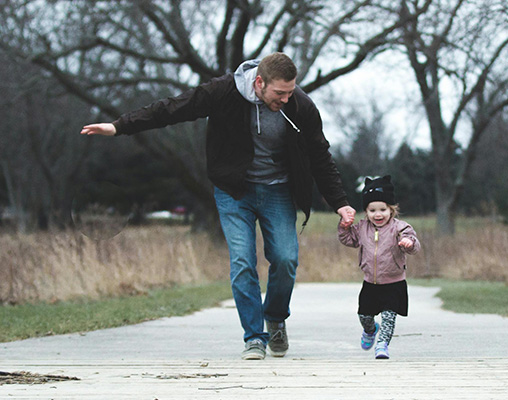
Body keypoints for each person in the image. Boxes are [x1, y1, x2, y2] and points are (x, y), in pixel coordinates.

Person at [80, 52, 356, 360]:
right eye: (280, 93)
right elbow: (173, 108)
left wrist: (341, 204)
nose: (285, 99)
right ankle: (254, 337)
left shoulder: (300, 106)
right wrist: (119, 127)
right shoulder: (224, 91)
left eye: (290, 92)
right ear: (259, 82)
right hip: (233, 190)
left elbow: (320, 156)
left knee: (286, 258)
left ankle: (276, 317)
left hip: (277, 190)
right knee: (242, 262)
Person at [338, 175, 420, 359]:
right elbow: (348, 240)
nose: (378, 214)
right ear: (366, 212)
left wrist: (409, 242)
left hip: (394, 283)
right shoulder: (361, 228)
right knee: (364, 316)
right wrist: (344, 227)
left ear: (391, 209)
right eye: (372, 210)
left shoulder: (400, 228)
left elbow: (415, 244)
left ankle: (382, 346)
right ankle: (370, 329)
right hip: (370, 283)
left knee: (389, 318)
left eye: (383, 209)